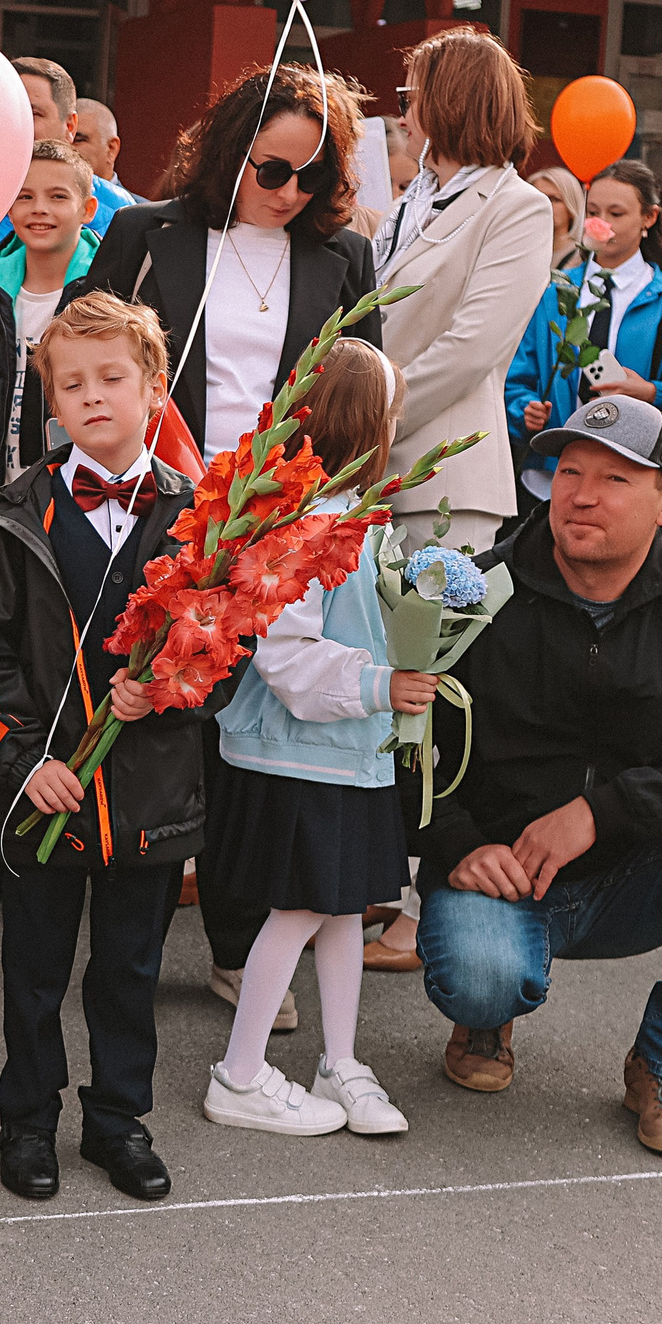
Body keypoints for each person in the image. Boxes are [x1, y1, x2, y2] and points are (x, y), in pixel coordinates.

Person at [416, 396, 662, 1158]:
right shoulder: (479, 589)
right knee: (482, 974)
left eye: (615, 478)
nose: (581, 495)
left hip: (640, 871)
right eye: (568, 471)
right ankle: (487, 1017)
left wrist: (603, 810)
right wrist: (455, 839)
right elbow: (405, 739)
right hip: (505, 873)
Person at [74, 60, 379, 993]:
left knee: (254, 734)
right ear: (228, 152)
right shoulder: (144, 232)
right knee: (154, 711)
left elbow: (363, 394)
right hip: (159, 505)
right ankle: (128, 927)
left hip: (278, 518)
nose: (289, 193)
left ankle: (240, 945)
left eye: (311, 177)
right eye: (271, 170)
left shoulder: (345, 258)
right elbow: (85, 347)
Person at [0, 292, 208, 1205]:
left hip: (150, 791)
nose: (94, 396)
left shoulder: (199, 517)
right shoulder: (8, 516)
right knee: (34, 967)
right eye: (73, 383)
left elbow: (229, 646)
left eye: (113, 378)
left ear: (154, 387)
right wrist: (26, 763)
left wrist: (168, 685)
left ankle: (117, 1119)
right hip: (42, 794)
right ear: (50, 403)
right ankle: (26, 1118)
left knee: (130, 968)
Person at [202, 339, 430, 1140]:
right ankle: (239, 1071)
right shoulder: (308, 530)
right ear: (374, 425)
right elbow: (286, 654)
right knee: (300, 907)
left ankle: (340, 1058)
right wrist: (380, 685)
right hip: (304, 755)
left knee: (341, 912)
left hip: (345, 754)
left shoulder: (352, 523)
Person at [0, 140, 106, 891]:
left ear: (87, 206)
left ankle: (77, 827)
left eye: (57, 196)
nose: (40, 211)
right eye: (25, 197)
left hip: (72, 506)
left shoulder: (102, 291)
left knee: (64, 672)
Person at [372, 26, 555, 555]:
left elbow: (471, 347)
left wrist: (370, 421)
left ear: (451, 102)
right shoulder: (408, 204)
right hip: (369, 475)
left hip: (443, 480)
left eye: (410, 97)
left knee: (423, 641)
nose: (400, 111)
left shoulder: (517, 206)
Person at [506, 159, 662, 508]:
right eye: (593, 210)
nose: (602, 223)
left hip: (629, 477)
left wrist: (652, 391)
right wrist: (524, 410)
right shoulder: (555, 291)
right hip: (548, 475)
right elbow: (516, 375)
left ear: (649, 218)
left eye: (617, 213)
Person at [0, 59, 137, 271]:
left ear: (70, 125)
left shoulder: (118, 211)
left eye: (33, 113)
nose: (16, 123)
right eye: (5, 112)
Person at [70, 98, 137, 208]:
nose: (67, 148)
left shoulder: (145, 216)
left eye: (78, 140)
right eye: (62, 140)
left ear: (111, 149)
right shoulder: (39, 209)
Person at [528, 165, 587, 270]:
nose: (545, 204)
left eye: (554, 199)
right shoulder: (521, 250)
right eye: (538, 198)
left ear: (571, 206)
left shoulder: (581, 257)